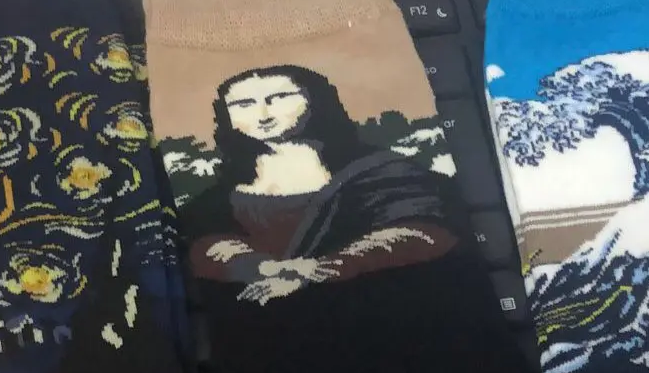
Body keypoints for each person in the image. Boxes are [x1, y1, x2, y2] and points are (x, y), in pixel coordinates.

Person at [183, 65, 456, 304]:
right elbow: (205, 244)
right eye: (243, 104)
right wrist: (261, 268)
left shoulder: (383, 171)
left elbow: (421, 233)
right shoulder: (219, 196)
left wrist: (318, 270)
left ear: (315, 98)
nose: (263, 114)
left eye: (279, 98)